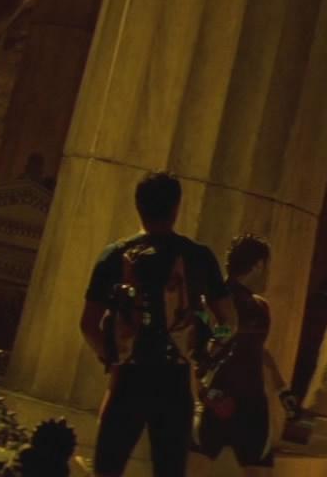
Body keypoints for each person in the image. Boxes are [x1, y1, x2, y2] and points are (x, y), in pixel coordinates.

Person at [79, 173, 233, 477]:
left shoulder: (114, 256)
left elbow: (88, 324)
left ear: (137, 205)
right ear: (176, 207)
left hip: (129, 377)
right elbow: (229, 322)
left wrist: (113, 357)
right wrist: (207, 354)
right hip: (175, 379)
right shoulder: (198, 257)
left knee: (108, 468)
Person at [190, 234, 295, 476]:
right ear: (258, 265)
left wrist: (283, 390)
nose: (269, 274)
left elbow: (255, 349)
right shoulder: (213, 303)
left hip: (247, 407)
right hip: (220, 400)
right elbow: (202, 347)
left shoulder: (259, 307)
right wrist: (204, 391)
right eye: (268, 266)